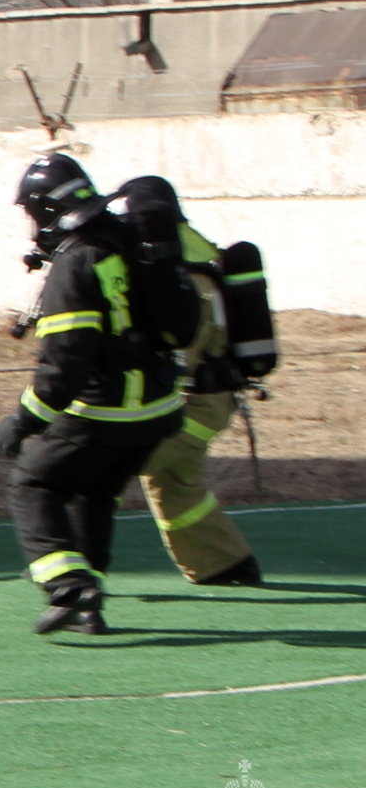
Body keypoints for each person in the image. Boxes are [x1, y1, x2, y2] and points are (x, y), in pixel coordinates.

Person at [0, 155, 198, 636]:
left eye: (31, 212)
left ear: (46, 209)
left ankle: (66, 586)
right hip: (159, 410)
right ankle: (89, 603)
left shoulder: (77, 260)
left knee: (33, 484)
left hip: (105, 410)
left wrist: (22, 422)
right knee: (93, 494)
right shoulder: (128, 240)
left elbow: (65, 363)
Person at [132, 192, 264, 587]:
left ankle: (69, 568)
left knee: (99, 466)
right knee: (173, 483)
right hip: (208, 401)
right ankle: (225, 563)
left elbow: (184, 342)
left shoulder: (178, 267)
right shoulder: (199, 252)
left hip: (191, 404)